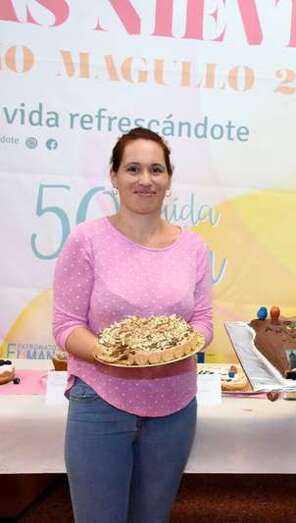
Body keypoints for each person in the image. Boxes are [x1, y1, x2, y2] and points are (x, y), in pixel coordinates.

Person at [52, 127, 213, 523]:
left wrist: (178, 344)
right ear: (114, 176)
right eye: (133, 169)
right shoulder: (86, 240)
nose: (145, 180)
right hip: (100, 400)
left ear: (169, 179)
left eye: (156, 169)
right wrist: (116, 353)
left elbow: (203, 321)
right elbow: (66, 325)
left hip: (175, 405)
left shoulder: (193, 247)